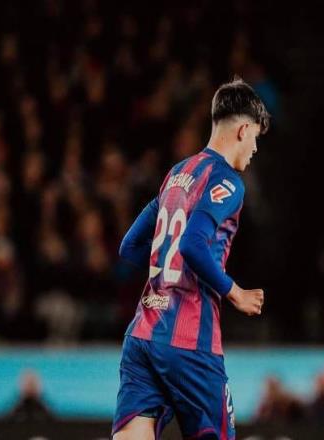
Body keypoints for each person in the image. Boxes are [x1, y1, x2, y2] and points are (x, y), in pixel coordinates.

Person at [112, 78, 270, 440]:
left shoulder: (176, 174)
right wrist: (235, 292)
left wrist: (167, 274)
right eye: (256, 137)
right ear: (243, 130)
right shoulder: (229, 182)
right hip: (190, 344)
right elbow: (193, 244)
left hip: (142, 335)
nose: (255, 149)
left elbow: (129, 246)